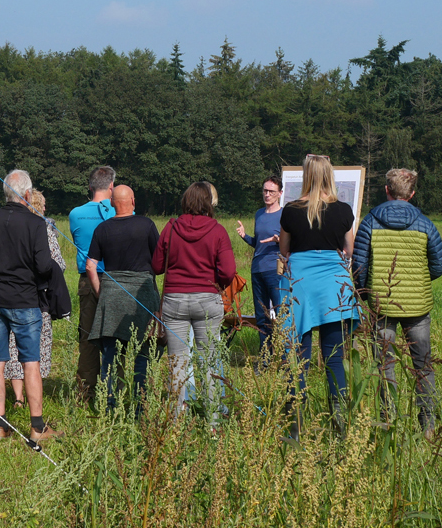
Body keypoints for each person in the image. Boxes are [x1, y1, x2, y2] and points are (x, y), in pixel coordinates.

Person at [352, 168, 442, 436]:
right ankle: (427, 425)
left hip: (382, 306)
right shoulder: (426, 224)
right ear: (412, 193)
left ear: (386, 190)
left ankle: (387, 421)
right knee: (423, 365)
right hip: (418, 308)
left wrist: (365, 293)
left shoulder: (370, 222)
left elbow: (359, 266)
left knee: (384, 365)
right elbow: (439, 266)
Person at [0, 170, 60, 441]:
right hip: (25, 302)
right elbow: (45, 265)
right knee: (30, 362)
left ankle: (0, 426)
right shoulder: (34, 223)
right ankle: (37, 427)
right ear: (27, 194)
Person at [278, 154, 359, 437]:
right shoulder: (344, 210)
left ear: (306, 175)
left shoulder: (290, 210)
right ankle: (339, 427)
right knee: (334, 358)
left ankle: (294, 429)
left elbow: (284, 250)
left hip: (299, 284)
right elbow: (347, 250)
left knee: (298, 359)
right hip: (333, 286)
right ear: (329, 175)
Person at [152, 182, 236, 423]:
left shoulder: (171, 228)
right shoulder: (217, 230)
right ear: (209, 202)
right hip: (207, 300)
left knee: (177, 364)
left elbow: (157, 266)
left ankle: (177, 422)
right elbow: (229, 270)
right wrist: (216, 281)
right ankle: (213, 422)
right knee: (209, 361)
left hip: (174, 300)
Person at [85, 185, 160, 411]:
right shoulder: (147, 225)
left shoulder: (102, 228)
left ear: (111, 204)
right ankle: (140, 407)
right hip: (142, 296)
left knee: (110, 356)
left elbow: (90, 266)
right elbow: (158, 263)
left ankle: (109, 407)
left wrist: (102, 292)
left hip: (112, 294)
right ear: (134, 201)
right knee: (143, 354)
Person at [4, 189, 69, 408]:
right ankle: (35, 400)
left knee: (13, 345)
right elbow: (57, 262)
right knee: (35, 347)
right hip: (37, 296)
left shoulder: (8, 225)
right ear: (39, 206)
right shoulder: (45, 227)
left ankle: (18, 398)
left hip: (9, 293)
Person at [68, 165, 117, 404]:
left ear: (89, 186)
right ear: (111, 187)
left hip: (87, 281)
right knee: (114, 336)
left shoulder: (75, 214)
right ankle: (113, 391)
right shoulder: (117, 211)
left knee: (87, 337)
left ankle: (85, 394)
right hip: (114, 279)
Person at [236, 175, 284, 361]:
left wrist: (279, 241)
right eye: (265, 190)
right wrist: (245, 237)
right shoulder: (259, 214)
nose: (267, 194)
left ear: (280, 193)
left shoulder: (284, 215)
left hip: (275, 270)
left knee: (280, 313)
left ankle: (284, 355)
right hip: (257, 269)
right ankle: (265, 357)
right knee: (261, 315)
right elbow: (259, 244)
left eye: (271, 191)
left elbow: (291, 244)